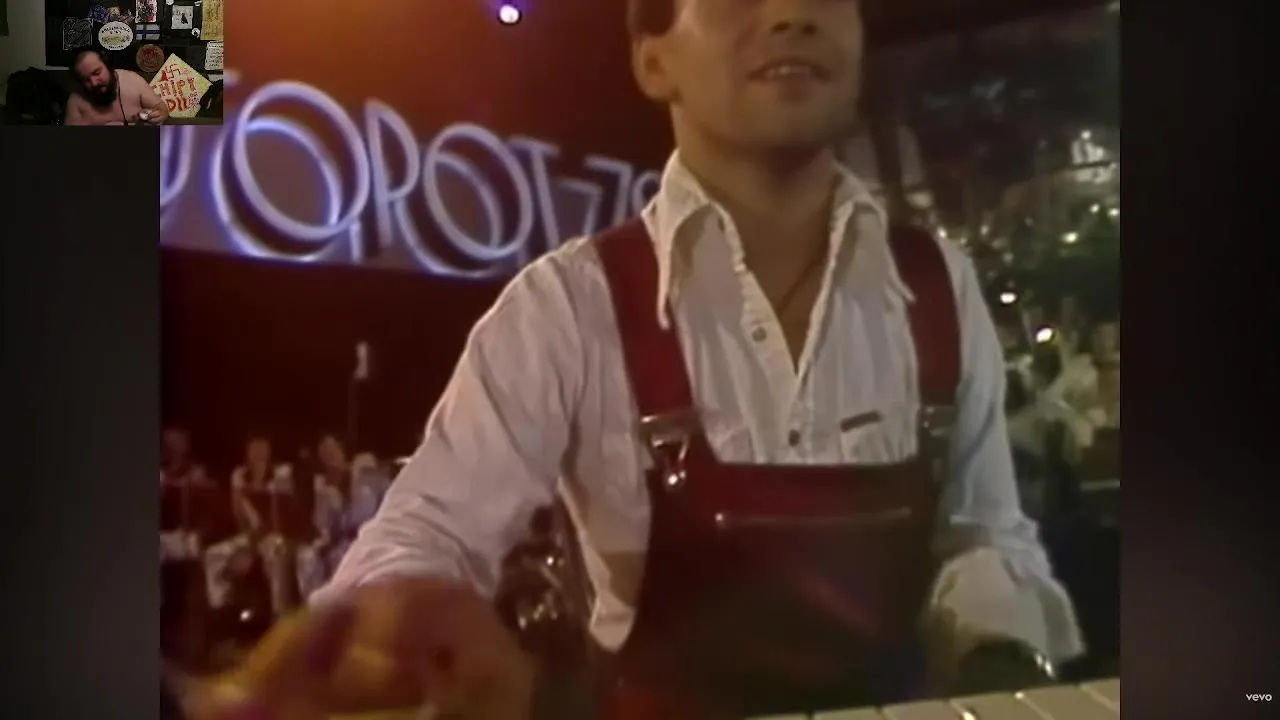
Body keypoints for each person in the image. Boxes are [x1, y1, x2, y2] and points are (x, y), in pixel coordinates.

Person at [192, 1, 1083, 718]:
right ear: (654, 62)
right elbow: (428, 533)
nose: (792, 14)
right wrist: (389, 628)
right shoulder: (565, 306)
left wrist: (1002, 658)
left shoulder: (937, 283)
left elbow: (983, 531)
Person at [64, 49, 169, 126]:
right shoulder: (75, 101)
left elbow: (159, 106)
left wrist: (160, 114)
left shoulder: (132, 80)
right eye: (85, 80)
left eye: (97, 73)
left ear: (107, 65)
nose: (94, 83)